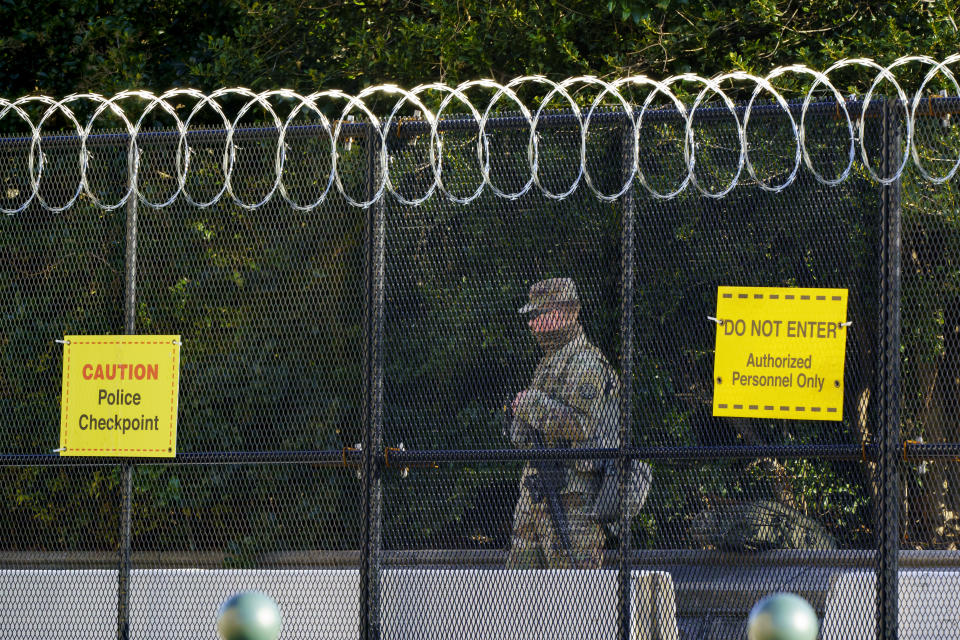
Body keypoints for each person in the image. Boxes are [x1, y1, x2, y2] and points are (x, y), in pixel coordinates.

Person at [507, 277, 621, 569]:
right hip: (535, 498)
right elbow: (526, 432)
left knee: (573, 596)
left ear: (568, 313)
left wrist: (530, 405)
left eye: (539, 315)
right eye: (531, 317)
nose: (533, 324)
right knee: (518, 595)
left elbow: (581, 426)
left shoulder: (586, 363)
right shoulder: (550, 363)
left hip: (573, 505)